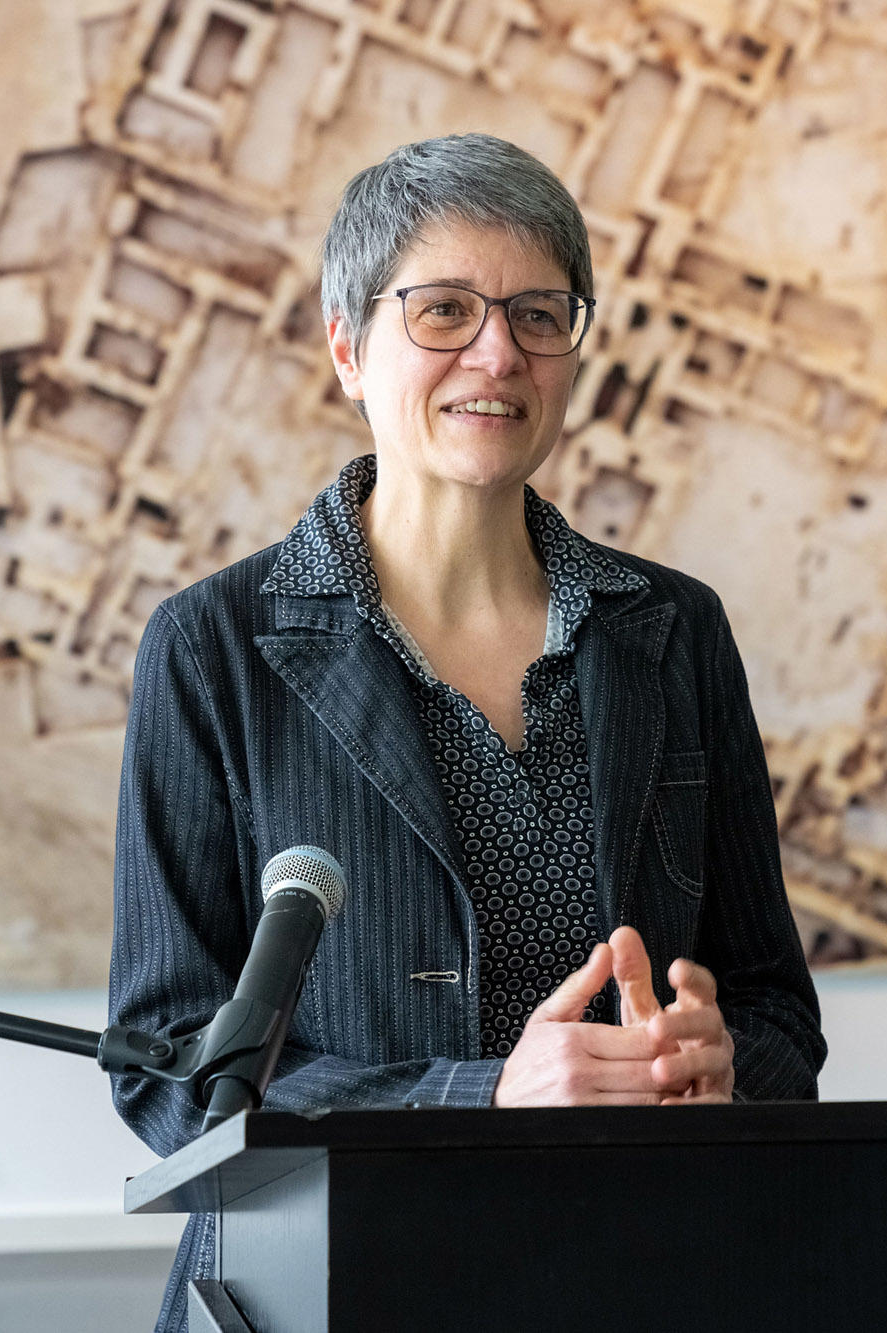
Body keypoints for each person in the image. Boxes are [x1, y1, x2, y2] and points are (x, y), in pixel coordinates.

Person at [107, 133, 826, 1333]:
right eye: (442, 309)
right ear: (347, 346)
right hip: (322, 1293)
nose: (497, 353)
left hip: (644, 1282)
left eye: (538, 313)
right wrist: (482, 1095)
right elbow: (166, 1066)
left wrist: (718, 1064)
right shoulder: (209, 647)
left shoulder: (676, 631)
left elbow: (779, 1020)